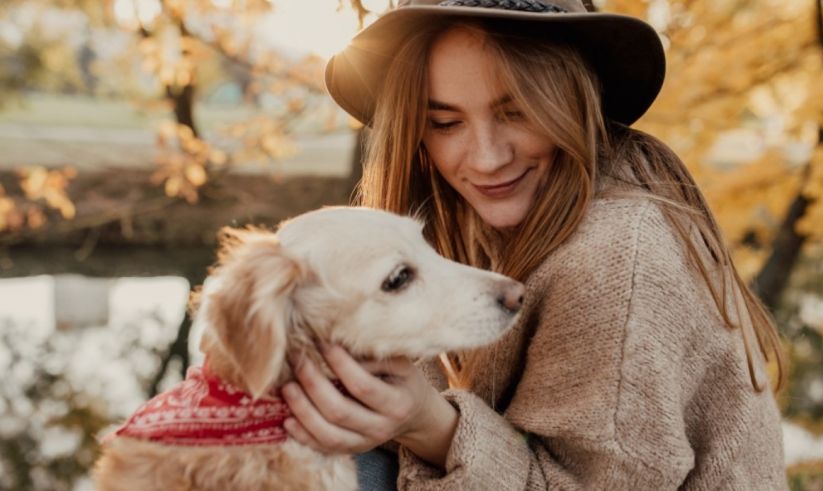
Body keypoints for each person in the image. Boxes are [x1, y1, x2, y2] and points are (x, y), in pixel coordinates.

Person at [279, 0, 788, 489]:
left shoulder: (615, 258)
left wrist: (430, 425)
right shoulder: (474, 216)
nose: (486, 158)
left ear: (572, 98)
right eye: (445, 123)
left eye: (517, 111)